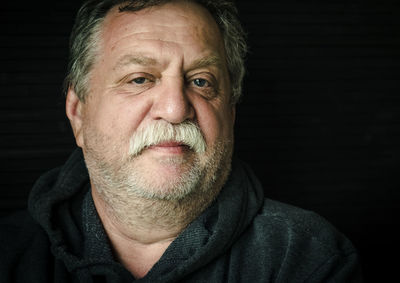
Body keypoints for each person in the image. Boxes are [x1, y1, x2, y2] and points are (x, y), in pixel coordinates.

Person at [0, 0, 363, 282]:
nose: (175, 109)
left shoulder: (305, 259)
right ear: (78, 113)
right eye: (140, 78)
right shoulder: (9, 254)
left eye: (202, 81)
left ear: (231, 116)